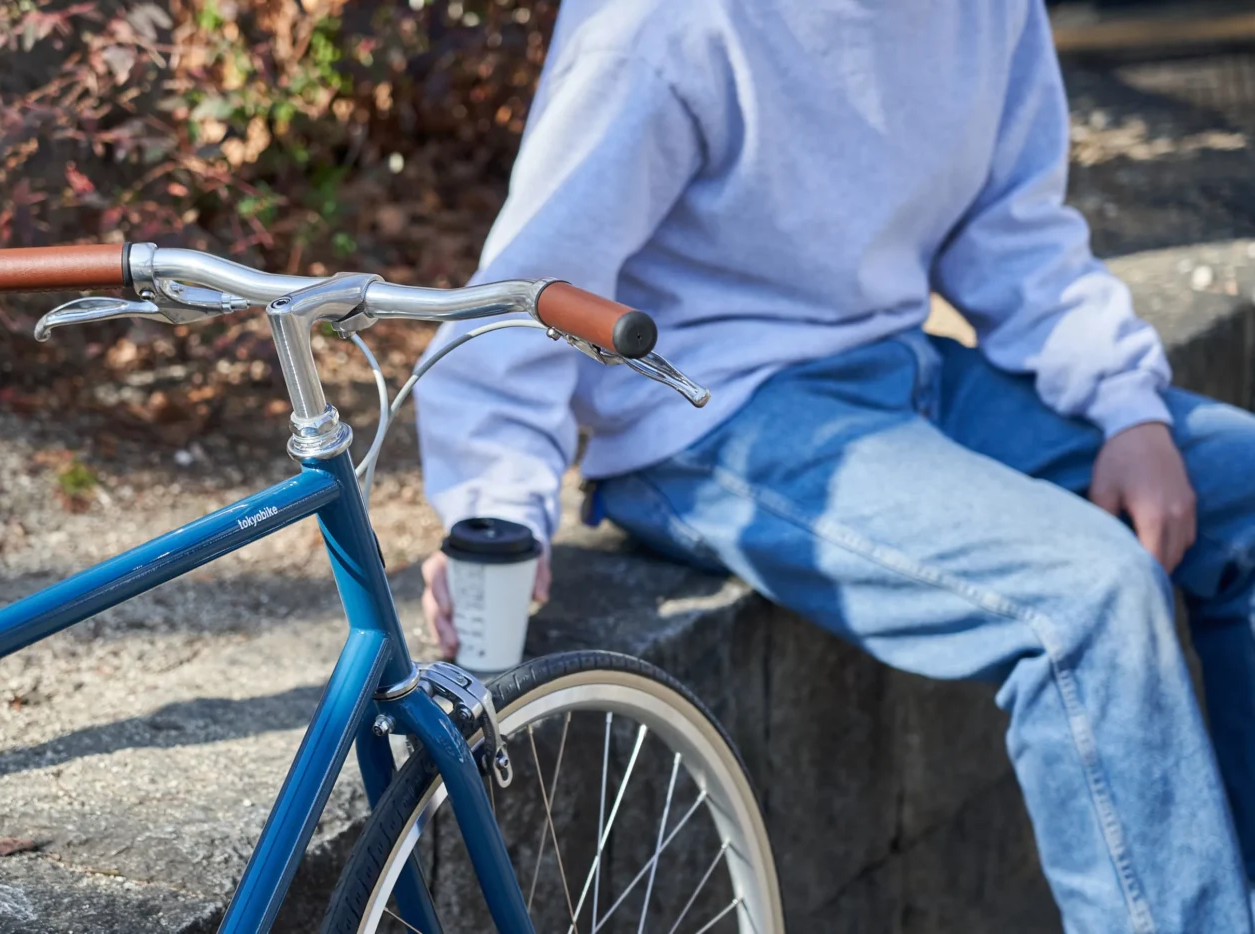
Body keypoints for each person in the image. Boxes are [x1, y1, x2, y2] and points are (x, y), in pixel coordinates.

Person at [412, 1, 1255, 930]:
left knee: (1244, 488)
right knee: (1090, 595)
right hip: (714, 413)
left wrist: (1127, 407)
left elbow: (1012, 234)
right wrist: (498, 508)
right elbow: (532, 287)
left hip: (899, 364)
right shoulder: (668, 22)